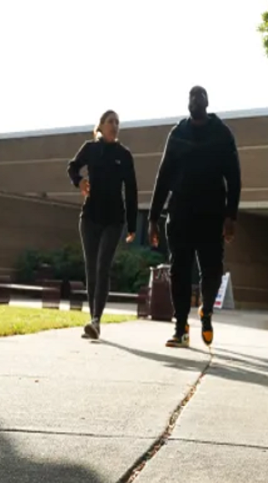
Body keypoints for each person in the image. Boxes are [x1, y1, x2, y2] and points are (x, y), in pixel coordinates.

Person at [148, 86, 240, 348]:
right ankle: (180, 328)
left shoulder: (222, 134)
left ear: (207, 102)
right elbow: (163, 176)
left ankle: (206, 310)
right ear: (188, 103)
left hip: (212, 214)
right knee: (179, 270)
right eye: (192, 96)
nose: (196, 99)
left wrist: (230, 216)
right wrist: (153, 217)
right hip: (180, 213)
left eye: (200, 96)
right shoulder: (177, 134)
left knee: (212, 270)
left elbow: (233, 177)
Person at [67, 110, 138, 340]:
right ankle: (93, 319)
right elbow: (72, 167)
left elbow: (132, 190)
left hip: (114, 220)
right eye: (110, 122)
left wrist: (132, 224)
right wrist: (80, 181)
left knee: (102, 267)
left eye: (117, 122)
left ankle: (96, 319)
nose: (114, 125)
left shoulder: (124, 155)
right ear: (101, 126)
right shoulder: (91, 148)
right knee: (91, 269)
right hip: (89, 218)